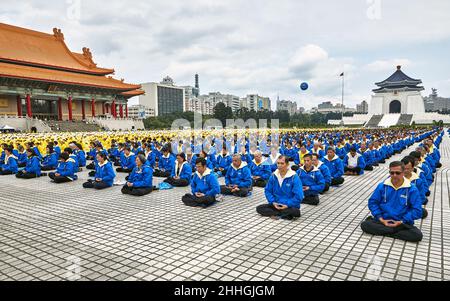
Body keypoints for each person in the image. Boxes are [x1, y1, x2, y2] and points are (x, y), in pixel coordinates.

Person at [360, 161, 423, 243]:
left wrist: (401, 221)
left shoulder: (412, 189)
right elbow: (373, 202)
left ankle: (387, 231)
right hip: (383, 220)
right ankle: (394, 232)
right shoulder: (382, 186)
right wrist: (381, 218)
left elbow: (417, 210)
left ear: (403, 173)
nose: (394, 175)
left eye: (397, 173)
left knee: (417, 235)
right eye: (392, 173)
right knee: (365, 225)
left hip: (401, 223)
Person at [256, 156, 304, 220]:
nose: (279, 165)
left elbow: (299, 196)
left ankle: (278, 213)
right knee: (259, 208)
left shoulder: (294, 177)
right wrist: (273, 202)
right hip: (276, 204)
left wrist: (287, 205)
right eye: (278, 163)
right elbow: (268, 190)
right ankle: (283, 215)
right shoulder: (273, 176)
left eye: (282, 163)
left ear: (287, 164)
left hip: (289, 205)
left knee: (295, 212)